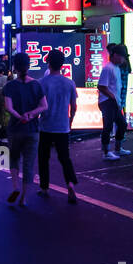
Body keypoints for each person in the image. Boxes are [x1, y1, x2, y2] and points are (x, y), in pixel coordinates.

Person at [2, 52, 46, 207]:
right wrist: (31, 114)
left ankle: (15, 187)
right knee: (29, 163)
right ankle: (24, 198)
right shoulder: (36, 84)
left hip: (15, 129)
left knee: (14, 158)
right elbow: (44, 106)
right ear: (28, 66)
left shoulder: (9, 86)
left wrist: (19, 116)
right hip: (32, 130)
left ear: (14, 67)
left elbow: (8, 107)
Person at [37, 49, 79, 204]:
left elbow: (38, 106)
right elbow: (74, 106)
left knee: (43, 158)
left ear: (49, 63)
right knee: (65, 158)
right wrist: (70, 121)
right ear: (62, 64)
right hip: (63, 126)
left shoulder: (42, 82)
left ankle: (44, 188)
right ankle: (69, 183)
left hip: (46, 126)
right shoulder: (69, 83)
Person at [98, 45, 130, 161]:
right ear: (115, 55)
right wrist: (112, 97)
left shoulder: (116, 67)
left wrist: (117, 100)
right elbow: (101, 86)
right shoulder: (108, 68)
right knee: (108, 126)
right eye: (122, 57)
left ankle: (117, 149)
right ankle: (106, 153)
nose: (123, 60)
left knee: (122, 124)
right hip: (107, 102)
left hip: (113, 102)